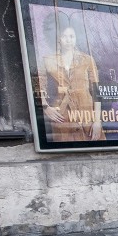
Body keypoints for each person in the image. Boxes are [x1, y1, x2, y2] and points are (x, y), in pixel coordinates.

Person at [39, 14, 104, 142]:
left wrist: (97, 121)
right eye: (64, 36)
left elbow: (96, 91)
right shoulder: (47, 61)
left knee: (95, 153)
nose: (68, 40)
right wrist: (45, 107)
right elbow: (38, 87)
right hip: (63, 117)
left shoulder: (87, 60)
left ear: (76, 38)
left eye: (72, 36)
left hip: (87, 116)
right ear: (58, 39)